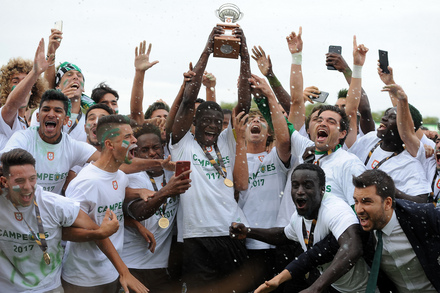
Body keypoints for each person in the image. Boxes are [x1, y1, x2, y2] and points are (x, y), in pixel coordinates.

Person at [170, 26, 251, 292]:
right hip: (195, 236)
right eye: (206, 121)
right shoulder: (183, 143)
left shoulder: (228, 141)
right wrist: (208, 48)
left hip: (231, 231)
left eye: (218, 122)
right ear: (194, 122)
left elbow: (244, 104)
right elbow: (188, 99)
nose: (213, 126)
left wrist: (244, 54)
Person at [230, 164, 369, 293]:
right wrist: (248, 232)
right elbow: (283, 235)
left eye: (307, 186)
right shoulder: (298, 218)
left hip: (365, 288)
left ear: (322, 189)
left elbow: (353, 248)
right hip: (336, 287)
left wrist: (315, 288)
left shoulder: (334, 209)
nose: (300, 191)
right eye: (295, 186)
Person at [0, 148, 119, 292]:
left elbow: (95, 230)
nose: (28, 187)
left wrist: (124, 271)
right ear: (4, 181)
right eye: (19, 181)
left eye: (32, 179)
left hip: (49, 287)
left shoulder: (53, 203)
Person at [62, 114, 149, 293]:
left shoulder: (121, 177)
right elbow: (66, 232)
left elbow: (110, 205)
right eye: (127, 137)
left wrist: (136, 224)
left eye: (133, 135)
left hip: (111, 274)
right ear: (109, 144)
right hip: (83, 279)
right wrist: (101, 233)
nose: (134, 141)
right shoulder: (85, 183)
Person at [235, 74, 291, 288]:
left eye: (261, 120)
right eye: (250, 120)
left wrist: (269, 94)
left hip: (275, 240)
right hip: (244, 242)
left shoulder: (276, 157)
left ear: (269, 133)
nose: (255, 121)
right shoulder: (233, 159)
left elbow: (285, 139)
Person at [121, 123, 191, 292]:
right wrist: (166, 191)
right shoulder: (132, 177)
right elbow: (139, 212)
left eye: (156, 148)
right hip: (131, 265)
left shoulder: (172, 174)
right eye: (144, 150)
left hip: (161, 266)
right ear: (136, 153)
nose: (152, 153)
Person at [353, 169, 440, 292]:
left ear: (387, 203)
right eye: (356, 201)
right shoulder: (362, 231)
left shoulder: (422, 217)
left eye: (366, 202)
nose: (359, 209)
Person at [1, 89, 99, 194]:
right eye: (46, 109)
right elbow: (4, 162)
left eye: (57, 111)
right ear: (38, 117)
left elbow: (106, 159)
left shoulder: (71, 146)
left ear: (66, 120)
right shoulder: (23, 138)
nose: (51, 114)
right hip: (21, 207)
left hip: (51, 209)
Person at [348, 83, 431, 202]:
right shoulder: (370, 139)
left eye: (392, 117)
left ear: (403, 128)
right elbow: (364, 109)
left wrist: (387, 189)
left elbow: (421, 201)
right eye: (386, 114)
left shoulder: (409, 163)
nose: (384, 118)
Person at [0, 38, 49, 145]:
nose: (22, 86)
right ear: (7, 88)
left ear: (32, 90)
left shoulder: (27, 124)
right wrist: (35, 73)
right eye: (15, 81)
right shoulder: (4, 114)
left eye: (26, 82)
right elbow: (11, 105)